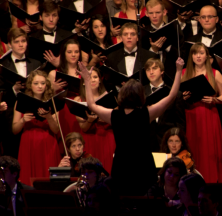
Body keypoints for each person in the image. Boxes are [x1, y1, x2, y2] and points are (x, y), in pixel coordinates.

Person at [77, 54, 184, 195]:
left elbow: (91, 104)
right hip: (143, 164)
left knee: (122, 202)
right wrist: (178, 71)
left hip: (121, 164)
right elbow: (171, 96)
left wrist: (86, 78)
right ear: (141, 95)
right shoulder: (146, 114)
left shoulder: (114, 115)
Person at [181, 42, 222, 183]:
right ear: (191, 56)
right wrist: (183, 97)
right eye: (195, 53)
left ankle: (212, 181)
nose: (198, 56)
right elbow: (178, 95)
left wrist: (215, 100)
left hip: (209, 114)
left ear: (207, 56)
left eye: (201, 53)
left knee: (210, 151)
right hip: (191, 115)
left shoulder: (215, 73)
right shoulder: (184, 72)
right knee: (194, 149)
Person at [0, 28, 41, 158]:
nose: (21, 45)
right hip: (10, 117)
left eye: (23, 41)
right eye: (17, 42)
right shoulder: (2, 65)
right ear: (10, 44)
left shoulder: (36, 63)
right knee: (13, 154)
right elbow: (1, 93)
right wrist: (14, 89)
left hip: (33, 115)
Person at [12, 70, 60, 185]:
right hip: (28, 143)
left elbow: (56, 130)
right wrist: (23, 120)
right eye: (36, 83)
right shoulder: (21, 101)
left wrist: (48, 116)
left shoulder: (52, 102)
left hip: (48, 144)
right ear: (30, 85)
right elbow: (14, 130)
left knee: (49, 180)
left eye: (43, 83)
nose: (40, 86)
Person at [73, 66, 116, 173]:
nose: (92, 80)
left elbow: (117, 119)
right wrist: (90, 120)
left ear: (100, 80)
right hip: (89, 138)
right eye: (90, 77)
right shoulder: (79, 100)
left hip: (107, 137)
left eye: (95, 77)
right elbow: (83, 128)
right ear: (84, 82)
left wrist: (105, 118)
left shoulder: (109, 97)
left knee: (108, 169)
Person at [48, 39, 83, 152]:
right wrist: (53, 90)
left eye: (76, 52)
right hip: (62, 112)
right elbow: (47, 99)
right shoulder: (53, 73)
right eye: (69, 52)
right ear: (64, 53)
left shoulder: (85, 72)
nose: (73, 55)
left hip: (79, 112)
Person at [144, 59, 186, 151]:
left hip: (168, 144)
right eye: (148, 69)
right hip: (146, 143)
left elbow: (180, 123)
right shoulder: (140, 93)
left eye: (154, 68)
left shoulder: (175, 94)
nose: (151, 72)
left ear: (162, 71)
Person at [144, 0, 181, 78]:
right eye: (151, 13)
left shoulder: (174, 29)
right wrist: (153, 50)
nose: (154, 16)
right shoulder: (143, 32)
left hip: (171, 74)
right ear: (146, 13)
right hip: (150, 77)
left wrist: (167, 46)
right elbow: (140, 58)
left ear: (164, 12)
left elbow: (182, 54)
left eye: (157, 12)